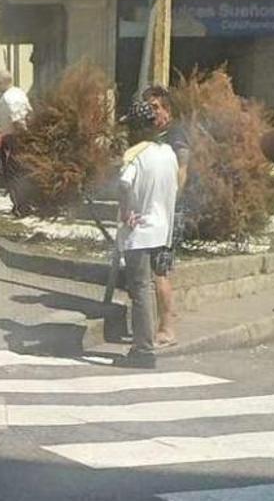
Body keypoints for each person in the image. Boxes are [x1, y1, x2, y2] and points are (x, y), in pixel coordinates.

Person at [115, 100, 179, 369]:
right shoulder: (169, 153)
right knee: (158, 281)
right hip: (163, 229)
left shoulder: (135, 155)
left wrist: (128, 210)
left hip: (140, 232)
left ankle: (143, 350)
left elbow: (123, 184)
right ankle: (162, 330)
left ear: (138, 128)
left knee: (139, 291)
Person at [142, 86, 188, 348]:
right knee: (153, 270)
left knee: (160, 271)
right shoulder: (152, 135)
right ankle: (159, 322)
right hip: (153, 210)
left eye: (156, 107)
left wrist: (171, 202)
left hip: (167, 212)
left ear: (167, 110)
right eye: (149, 107)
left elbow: (183, 169)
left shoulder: (175, 134)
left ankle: (167, 329)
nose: (152, 112)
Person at [0, 70, 32, 214]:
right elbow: (28, 113)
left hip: (13, 138)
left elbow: (18, 120)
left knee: (12, 173)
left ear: (2, 82)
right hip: (15, 136)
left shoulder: (9, 98)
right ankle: (22, 203)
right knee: (20, 171)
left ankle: (20, 205)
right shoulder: (19, 93)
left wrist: (21, 138)